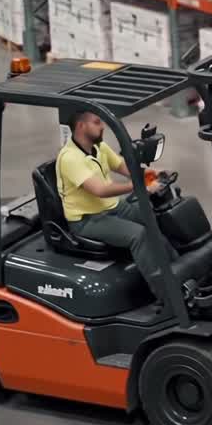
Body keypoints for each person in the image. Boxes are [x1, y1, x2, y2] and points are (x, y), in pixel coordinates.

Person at [56, 110, 175, 299]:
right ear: (81, 126)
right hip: (87, 220)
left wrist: (153, 176)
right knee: (139, 235)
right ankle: (167, 296)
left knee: (151, 217)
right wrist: (141, 187)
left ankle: (177, 271)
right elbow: (100, 190)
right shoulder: (70, 158)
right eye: (97, 122)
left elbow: (125, 168)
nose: (102, 126)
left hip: (112, 207)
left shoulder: (99, 147)